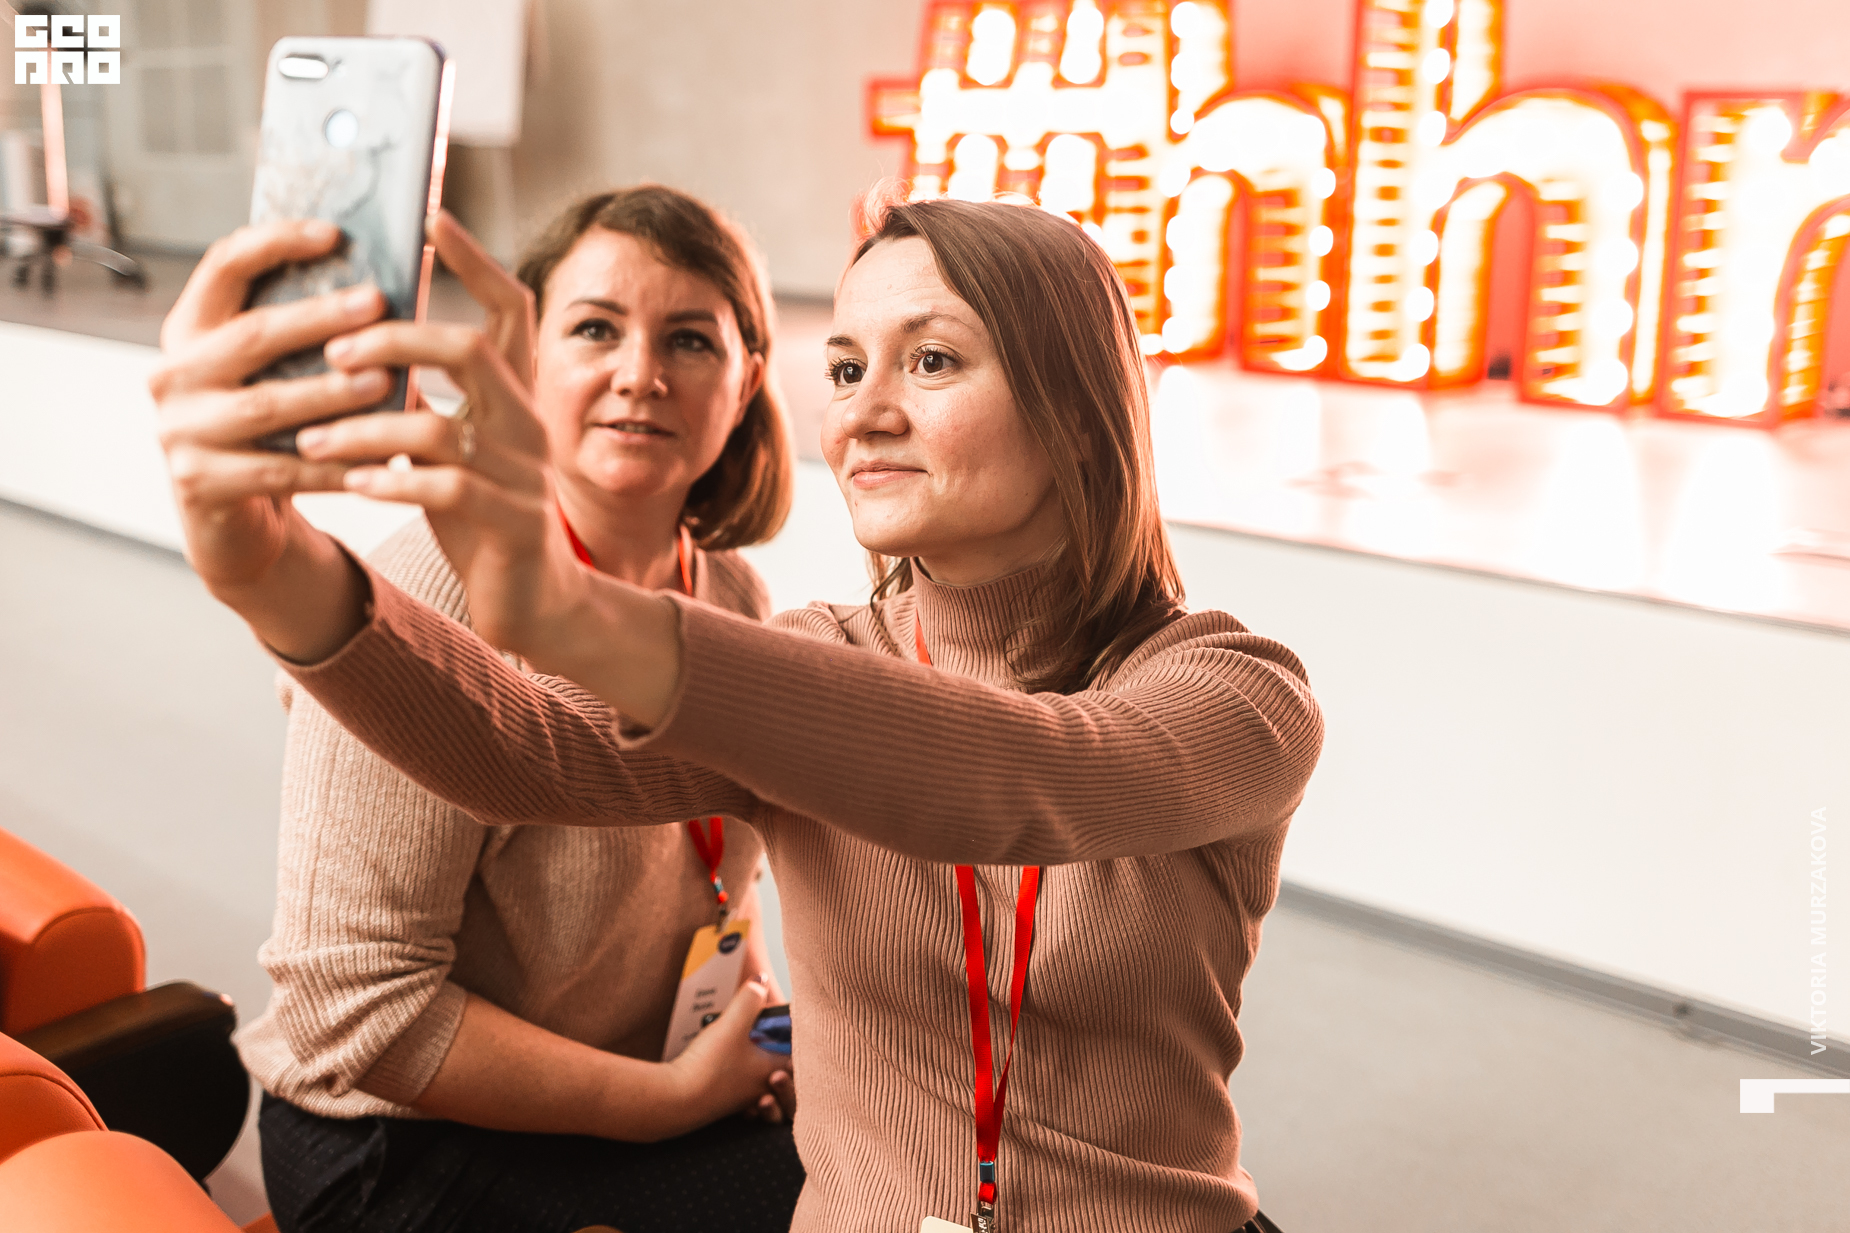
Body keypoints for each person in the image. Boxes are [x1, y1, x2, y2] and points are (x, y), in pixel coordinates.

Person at [153, 194, 1322, 1232]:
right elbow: (528, 748)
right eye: (847, 370)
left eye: (930, 361)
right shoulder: (809, 655)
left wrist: (564, 610)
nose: (863, 414)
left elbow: (1026, 776)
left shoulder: (1235, 693)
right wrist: (268, 568)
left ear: (1079, 404)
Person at [224, 188, 805, 1233]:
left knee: (877, 1176)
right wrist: (670, 1101)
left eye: (689, 339)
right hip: (393, 1136)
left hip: (625, 1083)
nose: (641, 374)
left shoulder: (733, 596)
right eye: (595, 329)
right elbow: (360, 1012)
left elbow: (722, 879)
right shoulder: (421, 599)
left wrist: (747, 1022)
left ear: (747, 380)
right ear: (524, 360)